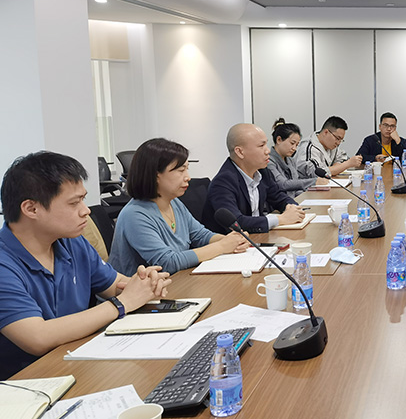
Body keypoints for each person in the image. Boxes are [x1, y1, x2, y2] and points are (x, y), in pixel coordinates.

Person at [0, 151, 171, 378]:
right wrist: (121, 304)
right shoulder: (4, 262)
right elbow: (38, 338)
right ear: (31, 209)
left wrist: (144, 283)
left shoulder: (71, 242)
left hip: (79, 362)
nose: (86, 210)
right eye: (74, 203)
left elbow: (115, 285)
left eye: (83, 199)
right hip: (29, 381)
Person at [110, 138, 249, 276]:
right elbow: (167, 262)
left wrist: (233, 240)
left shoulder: (174, 202)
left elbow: (200, 235)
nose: (188, 177)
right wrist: (222, 246)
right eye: (181, 170)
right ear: (156, 175)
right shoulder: (134, 215)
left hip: (174, 281)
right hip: (139, 289)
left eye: (187, 169)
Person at [203, 124, 306, 234]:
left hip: (258, 237)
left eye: (266, 144)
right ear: (240, 152)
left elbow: (278, 196)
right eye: (261, 146)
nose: (268, 151)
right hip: (234, 242)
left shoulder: (262, 172)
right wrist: (280, 219)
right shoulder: (223, 182)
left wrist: (291, 207)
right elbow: (237, 222)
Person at [266, 119, 320, 197]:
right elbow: (283, 184)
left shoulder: (290, 160)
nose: (294, 148)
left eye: (297, 145)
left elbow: (295, 188)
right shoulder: (269, 161)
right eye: (292, 143)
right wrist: (314, 181)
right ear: (279, 140)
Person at [295, 115, 362, 176]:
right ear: (326, 132)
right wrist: (347, 164)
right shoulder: (308, 148)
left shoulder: (331, 145)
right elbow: (315, 173)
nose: (338, 143)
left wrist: (336, 167)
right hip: (308, 185)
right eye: (337, 138)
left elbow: (342, 158)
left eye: (341, 140)